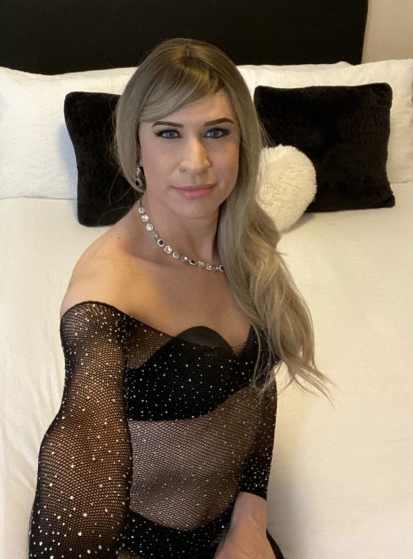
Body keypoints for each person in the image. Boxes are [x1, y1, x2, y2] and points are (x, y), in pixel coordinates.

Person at [28, 38, 326, 558]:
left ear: (243, 142)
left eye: (216, 132)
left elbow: (257, 389)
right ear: (135, 146)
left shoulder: (244, 242)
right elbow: (82, 448)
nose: (196, 162)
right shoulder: (105, 296)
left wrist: (251, 521)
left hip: (236, 534)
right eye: (169, 133)